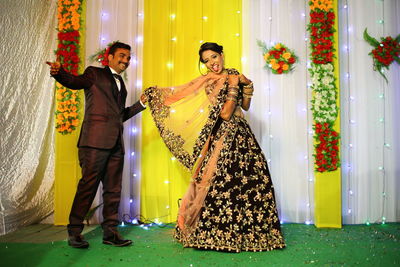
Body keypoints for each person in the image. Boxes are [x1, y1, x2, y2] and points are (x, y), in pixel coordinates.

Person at [145, 42, 285, 252]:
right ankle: (214, 232)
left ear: (221, 54)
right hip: (222, 135)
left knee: (249, 181)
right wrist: (234, 84)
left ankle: (250, 232)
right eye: (206, 60)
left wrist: (248, 85)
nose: (212, 63)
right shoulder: (210, 82)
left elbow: (245, 106)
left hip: (242, 136)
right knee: (215, 180)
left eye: (214, 57)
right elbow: (226, 113)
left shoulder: (234, 74)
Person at [46, 42, 147, 248]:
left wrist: (141, 104)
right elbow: (74, 81)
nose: (125, 60)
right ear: (109, 57)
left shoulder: (122, 85)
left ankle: (110, 232)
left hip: (116, 145)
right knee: (88, 187)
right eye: (121, 56)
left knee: (113, 190)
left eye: (128, 58)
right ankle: (74, 232)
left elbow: (119, 116)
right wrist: (59, 73)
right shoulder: (94, 73)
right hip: (93, 143)